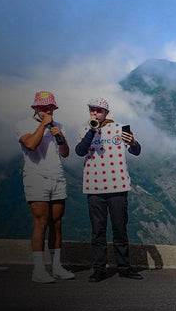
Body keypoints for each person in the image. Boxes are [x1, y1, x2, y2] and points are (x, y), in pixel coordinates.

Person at [75, 97, 143, 282]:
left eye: (98, 110)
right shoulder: (84, 129)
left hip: (118, 186)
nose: (94, 113)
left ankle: (124, 267)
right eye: (92, 110)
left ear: (106, 113)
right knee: (98, 231)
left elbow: (136, 151)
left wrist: (134, 142)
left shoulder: (119, 128)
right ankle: (99, 269)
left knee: (120, 229)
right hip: (94, 188)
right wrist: (92, 130)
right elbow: (80, 151)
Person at [15, 90, 74, 283]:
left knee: (57, 223)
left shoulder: (59, 126)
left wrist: (61, 136)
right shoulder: (22, 125)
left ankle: (56, 266)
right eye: (42, 107)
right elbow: (31, 144)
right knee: (41, 222)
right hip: (36, 177)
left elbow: (65, 153)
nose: (46, 110)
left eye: (49, 107)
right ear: (35, 108)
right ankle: (38, 269)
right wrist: (43, 124)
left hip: (57, 176)